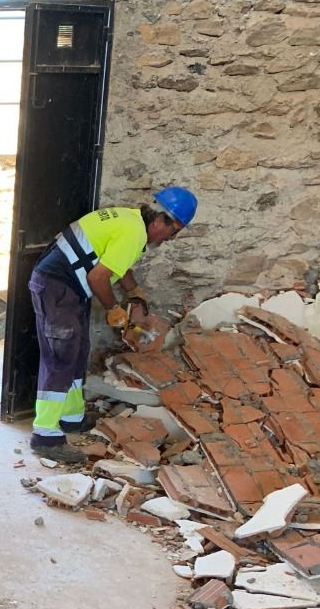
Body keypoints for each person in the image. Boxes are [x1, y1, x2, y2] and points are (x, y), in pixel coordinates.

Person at [27, 186, 196, 464]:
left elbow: (117, 263)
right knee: (60, 358)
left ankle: (71, 418)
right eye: (173, 231)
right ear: (159, 221)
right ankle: (45, 435)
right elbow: (98, 278)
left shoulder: (130, 220)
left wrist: (134, 292)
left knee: (78, 351)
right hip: (56, 288)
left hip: (65, 287)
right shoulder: (134, 233)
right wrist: (114, 309)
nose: (170, 239)